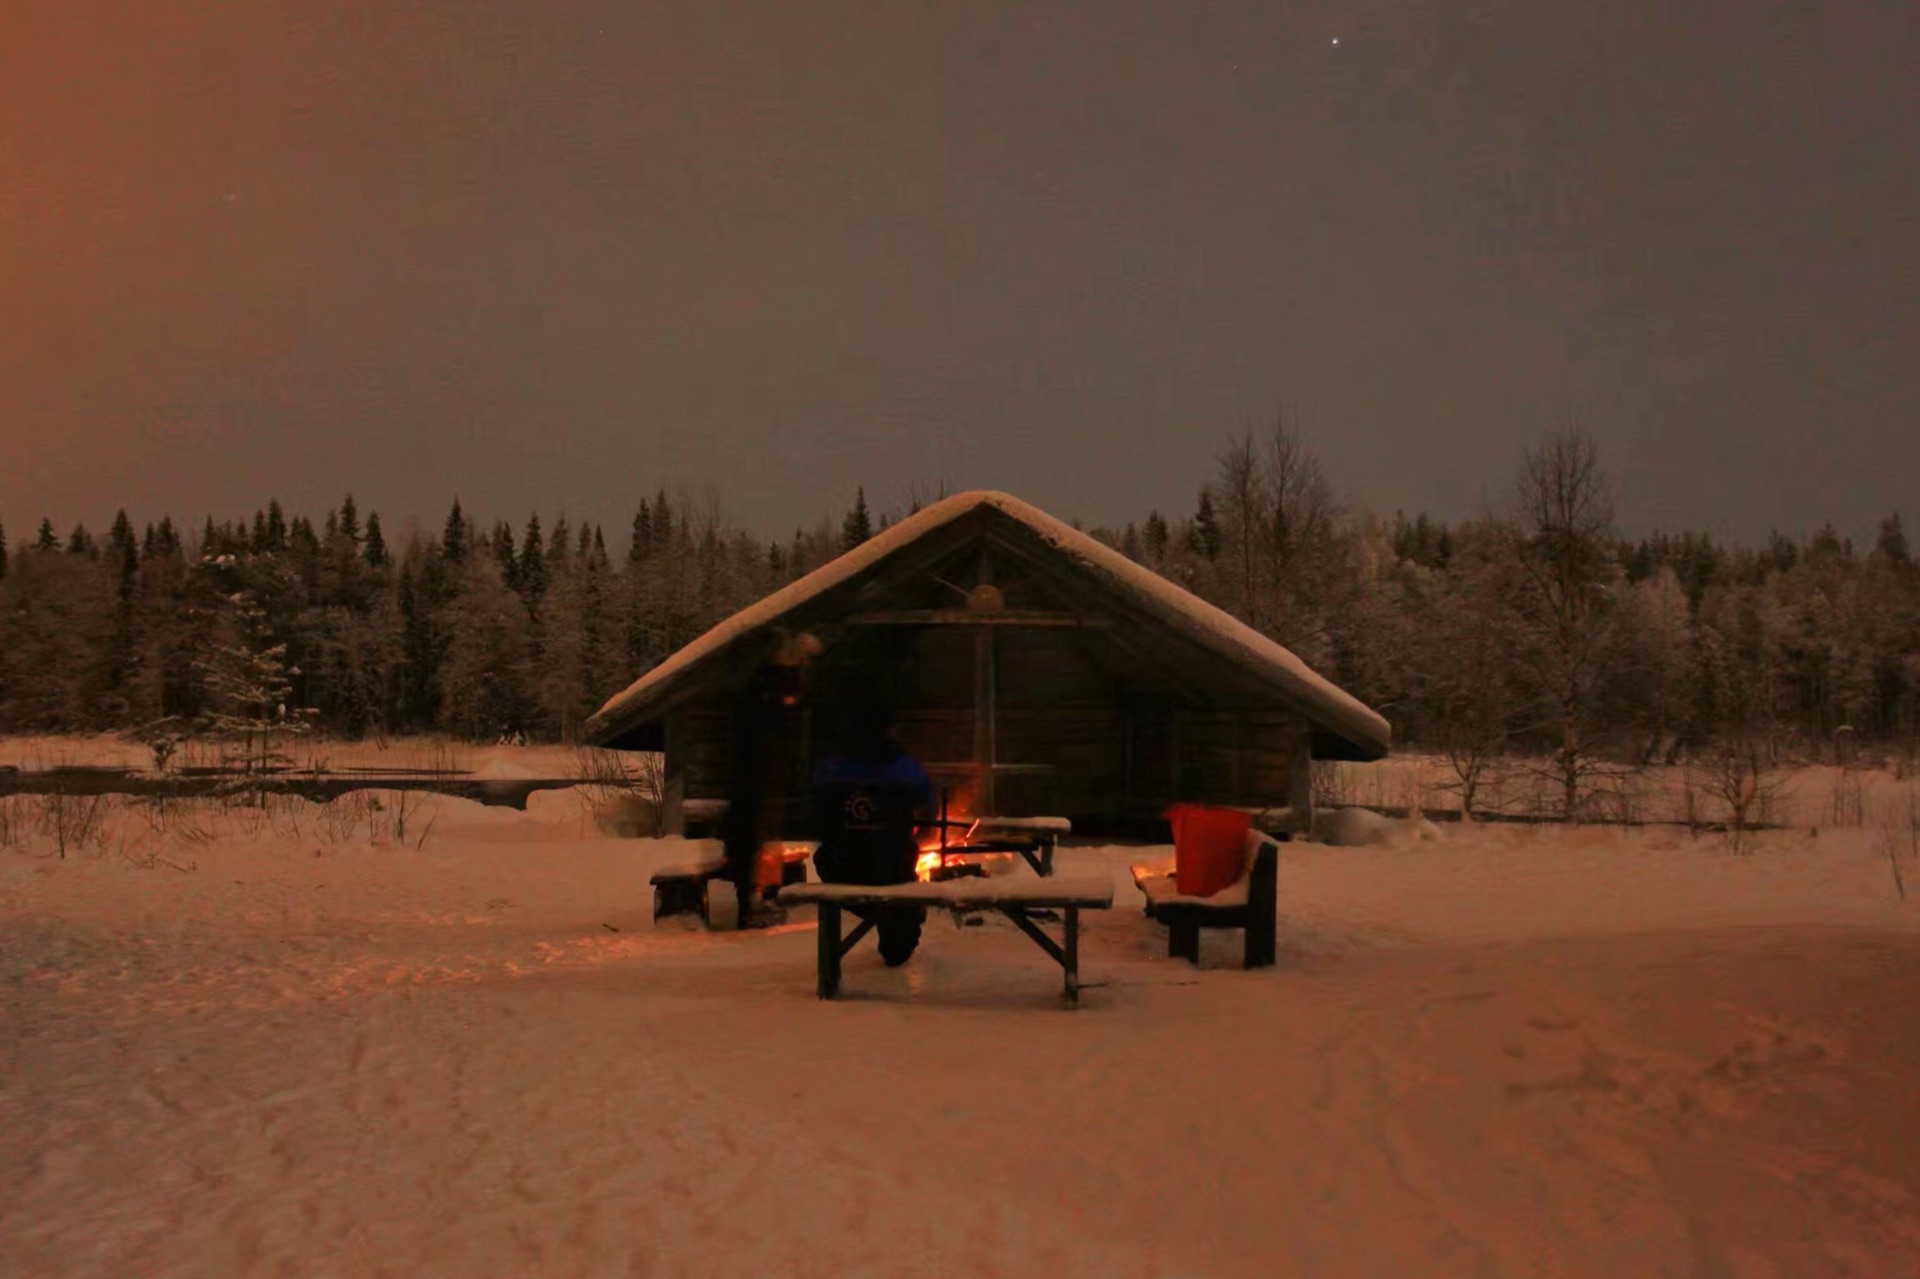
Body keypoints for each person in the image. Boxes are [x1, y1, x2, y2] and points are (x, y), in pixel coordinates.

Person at [809, 692, 934, 966]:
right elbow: (927, 814)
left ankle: (886, 913)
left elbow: (815, 818)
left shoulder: (827, 769)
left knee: (878, 893)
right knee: (897, 940)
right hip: (892, 871)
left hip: (838, 867)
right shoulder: (905, 769)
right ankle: (894, 916)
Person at [718, 630, 820, 927]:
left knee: (753, 841)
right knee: (752, 841)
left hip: (754, 776)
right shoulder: (762, 693)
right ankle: (752, 903)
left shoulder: (754, 690)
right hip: (756, 776)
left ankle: (752, 900)